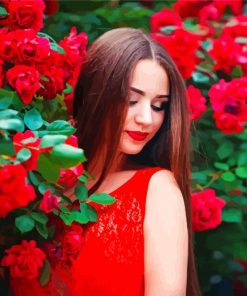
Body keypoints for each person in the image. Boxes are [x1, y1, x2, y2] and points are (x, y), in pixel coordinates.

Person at [9, 27, 201, 296]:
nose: (146, 118)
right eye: (131, 100)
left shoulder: (156, 190)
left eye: (158, 105)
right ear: (95, 94)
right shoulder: (40, 184)